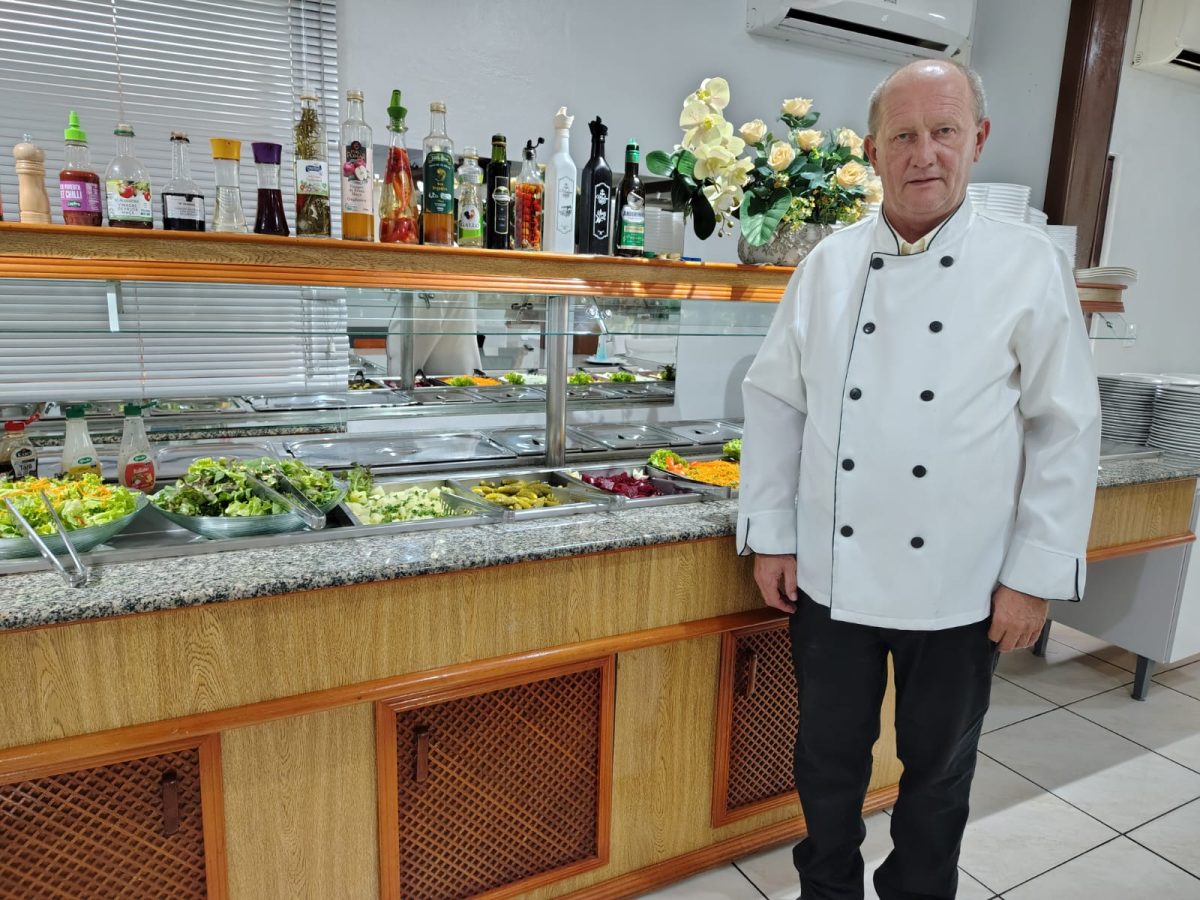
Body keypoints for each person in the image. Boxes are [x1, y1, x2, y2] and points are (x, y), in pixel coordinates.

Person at [737, 59, 1101, 900]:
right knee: (826, 767)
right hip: (832, 573)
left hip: (964, 582)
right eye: (903, 135)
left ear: (977, 140)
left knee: (936, 778)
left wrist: (1033, 577)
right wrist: (773, 535)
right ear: (873, 150)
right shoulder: (826, 264)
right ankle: (826, 891)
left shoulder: (1025, 264)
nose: (923, 153)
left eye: (943, 131)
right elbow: (774, 403)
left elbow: (1065, 427)